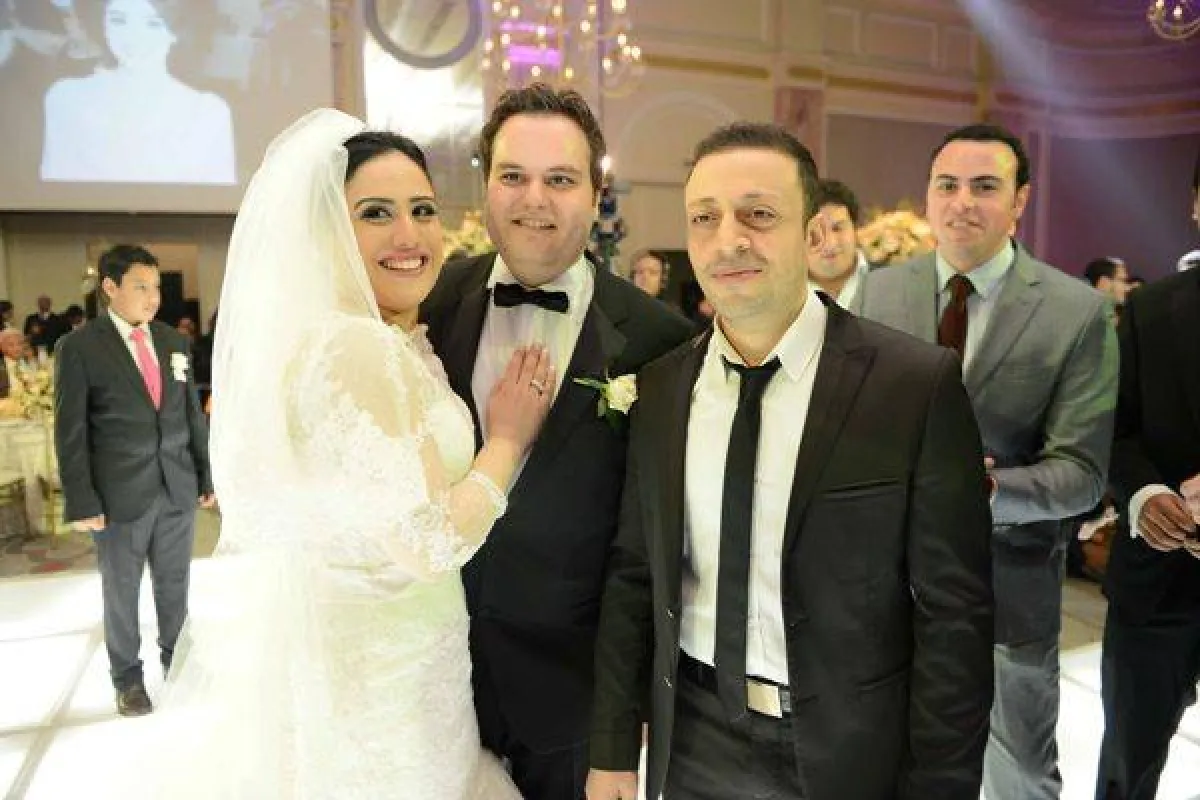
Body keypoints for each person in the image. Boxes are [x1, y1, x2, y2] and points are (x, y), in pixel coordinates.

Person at [115, 109, 552, 798]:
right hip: (387, 690)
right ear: (328, 232)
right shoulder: (357, 347)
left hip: (387, 661)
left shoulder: (365, 337)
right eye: (376, 213)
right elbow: (426, 543)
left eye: (422, 210)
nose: (408, 234)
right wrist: (506, 440)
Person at [587, 122, 995, 800]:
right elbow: (634, 574)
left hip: (848, 747)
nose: (728, 240)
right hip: (694, 739)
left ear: (810, 234)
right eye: (705, 218)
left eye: (758, 215)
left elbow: (955, 617)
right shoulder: (660, 389)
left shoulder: (912, 386)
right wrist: (612, 749)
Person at [421, 83, 694, 800]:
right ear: (485, 185)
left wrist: (617, 734)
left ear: (597, 193)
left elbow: (646, 557)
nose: (534, 199)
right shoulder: (427, 305)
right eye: (513, 175)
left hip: (572, 704)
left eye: (561, 179)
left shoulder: (661, 341)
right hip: (429, 685)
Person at [856, 123, 1118, 800]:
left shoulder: (1075, 312)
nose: (962, 202)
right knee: (888, 769)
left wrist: (986, 488)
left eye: (984, 186)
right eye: (947, 185)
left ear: (1020, 199)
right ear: (928, 194)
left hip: (1008, 590)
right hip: (887, 591)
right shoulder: (879, 294)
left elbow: (1083, 473)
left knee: (1020, 777)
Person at [53, 244, 215, 717]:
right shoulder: (79, 348)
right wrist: (82, 501)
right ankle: (127, 679)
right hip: (117, 495)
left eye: (156, 286)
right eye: (141, 286)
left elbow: (190, 416)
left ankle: (176, 663)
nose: (153, 297)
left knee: (175, 583)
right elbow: (70, 432)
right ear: (110, 287)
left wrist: (204, 474)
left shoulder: (173, 342)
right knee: (121, 590)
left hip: (175, 486)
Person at [1096, 149, 1200, 800]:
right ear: (1195, 203)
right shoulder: (1150, 308)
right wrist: (1145, 493)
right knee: (1127, 769)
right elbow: (1114, 427)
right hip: (1155, 581)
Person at [41, 0, 235, 184]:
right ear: (102, 25)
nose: (133, 37)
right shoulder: (67, 98)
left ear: (177, 30)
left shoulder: (208, 112)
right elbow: (55, 184)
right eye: (118, 21)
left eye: (153, 24)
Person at [808, 178, 870, 307]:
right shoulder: (781, 292)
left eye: (837, 228)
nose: (830, 244)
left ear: (856, 228)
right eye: (815, 232)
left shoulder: (892, 279)